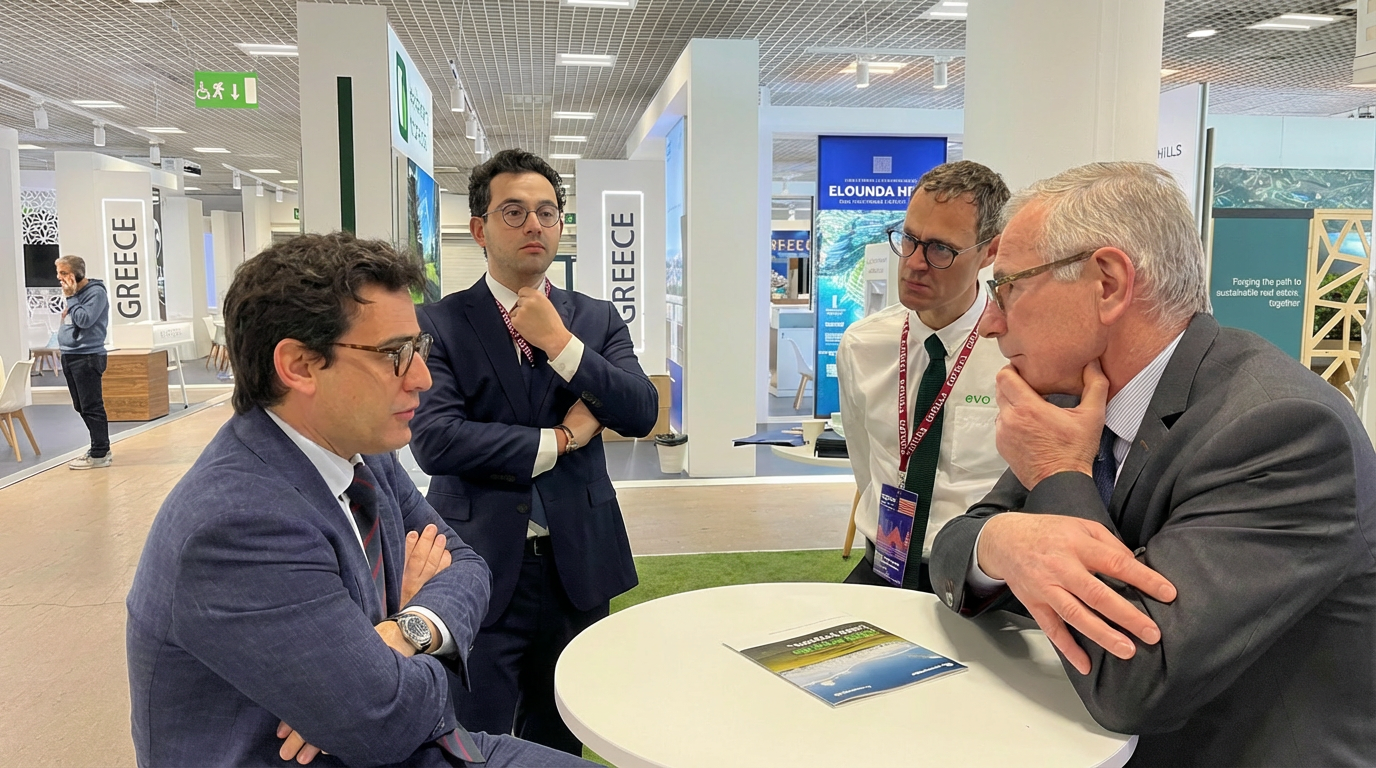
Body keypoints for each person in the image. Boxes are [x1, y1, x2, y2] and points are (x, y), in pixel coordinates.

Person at [930, 161, 1376, 766]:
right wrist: (1003, 542)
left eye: (1008, 287)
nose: (989, 322)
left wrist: (1060, 474)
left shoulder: (1283, 429)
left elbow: (1134, 678)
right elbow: (957, 547)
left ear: (1108, 283)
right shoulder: (1080, 398)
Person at [126, 232, 593, 767]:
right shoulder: (239, 523)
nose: (421, 378)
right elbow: (385, 723)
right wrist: (392, 666)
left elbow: (467, 566)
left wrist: (404, 630)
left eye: (419, 349)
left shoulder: (362, 456)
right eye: (395, 354)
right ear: (299, 365)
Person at [410, 148, 658, 754]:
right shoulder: (438, 323)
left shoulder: (593, 320)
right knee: (477, 739)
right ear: (480, 228)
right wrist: (563, 439)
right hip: (480, 565)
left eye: (546, 213)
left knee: (562, 735)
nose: (534, 226)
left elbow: (641, 411)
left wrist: (562, 345)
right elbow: (437, 439)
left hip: (577, 561)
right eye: (514, 212)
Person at [837, 160, 1010, 593]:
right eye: (909, 240)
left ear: (990, 251)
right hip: (883, 566)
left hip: (979, 584)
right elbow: (865, 464)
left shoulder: (1015, 355)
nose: (914, 263)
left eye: (940, 250)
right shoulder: (863, 346)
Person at [55, 255, 111, 469]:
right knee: (81, 406)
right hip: (71, 355)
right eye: (58, 273)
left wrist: (71, 298)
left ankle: (100, 453)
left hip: (87, 356)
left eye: (64, 273)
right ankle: (98, 446)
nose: (59, 278)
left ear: (76, 273)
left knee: (92, 406)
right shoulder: (76, 295)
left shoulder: (95, 293)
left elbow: (84, 320)